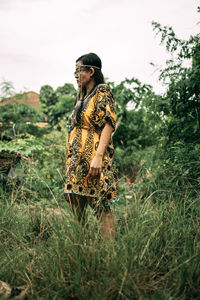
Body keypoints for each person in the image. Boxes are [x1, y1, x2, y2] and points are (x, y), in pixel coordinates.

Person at [64, 53, 119, 239]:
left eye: (79, 70)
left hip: (94, 156)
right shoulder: (82, 96)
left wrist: (98, 156)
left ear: (91, 71)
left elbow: (108, 124)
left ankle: (109, 253)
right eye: (75, 71)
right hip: (77, 158)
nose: (76, 74)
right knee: (74, 198)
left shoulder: (102, 91)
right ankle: (82, 246)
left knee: (99, 203)